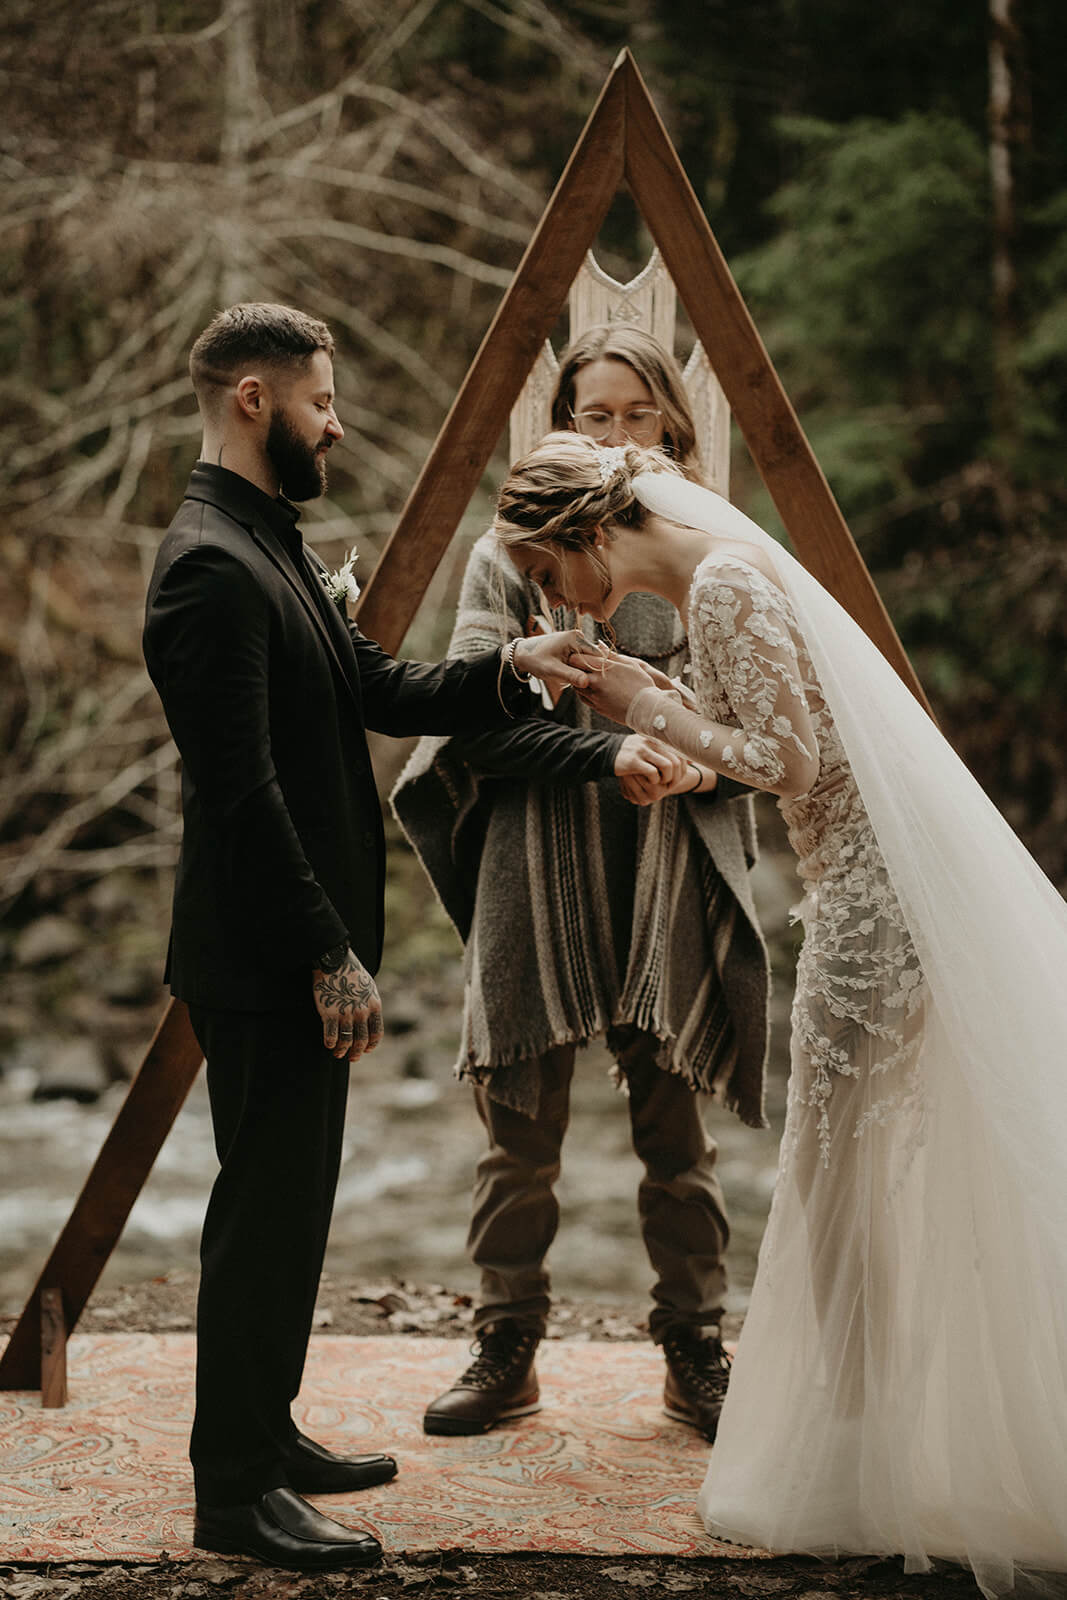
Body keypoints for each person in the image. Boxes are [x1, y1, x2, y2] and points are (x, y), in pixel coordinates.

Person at [491, 432, 1067, 1600]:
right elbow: (768, 738)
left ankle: (861, 1453)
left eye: (549, 574)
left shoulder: (722, 579)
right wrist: (665, 729)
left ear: (580, 534)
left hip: (871, 912)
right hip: (861, 896)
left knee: (839, 1176)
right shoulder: (718, 575)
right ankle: (881, 1438)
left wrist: (640, 697)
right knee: (849, 1175)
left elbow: (789, 765)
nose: (558, 600)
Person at [141, 303, 591, 1573]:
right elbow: (238, 792)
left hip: (296, 944)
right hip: (265, 950)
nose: (335, 422)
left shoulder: (264, 541)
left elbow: (380, 689)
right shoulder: (205, 569)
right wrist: (327, 949)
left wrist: (518, 667)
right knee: (260, 1214)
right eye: (319, 401)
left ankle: (264, 1431)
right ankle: (231, 1494)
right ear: (250, 399)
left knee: (294, 1210)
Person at [392, 326, 769, 1441]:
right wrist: (606, 746)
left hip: (667, 864)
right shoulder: (502, 556)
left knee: (675, 1141)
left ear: (673, 425)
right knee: (517, 1134)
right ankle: (506, 1342)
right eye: (589, 416)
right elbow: (474, 716)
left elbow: (747, 718)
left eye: (635, 414)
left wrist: (692, 757)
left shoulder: (712, 553)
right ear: (558, 425)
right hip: (531, 868)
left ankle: (692, 1350)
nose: (613, 435)